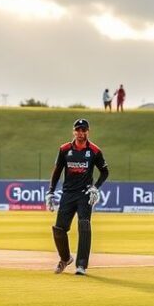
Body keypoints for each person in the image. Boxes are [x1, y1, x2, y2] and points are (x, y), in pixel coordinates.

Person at [46, 118, 109, 276]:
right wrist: (50, 192)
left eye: (84, 130)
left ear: (88, 131)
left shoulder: (94, 151)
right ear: (73, 131)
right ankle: (65, 258)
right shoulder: (65, 149)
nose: (81, 133)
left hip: (85, 194)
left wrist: (96, 187)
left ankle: (81, 265)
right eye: (78, 130)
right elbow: (57, 171)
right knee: (59, 229)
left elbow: (105, 171)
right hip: (68, 193)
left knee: (84, 225)